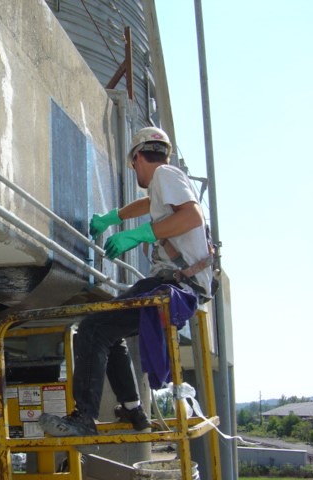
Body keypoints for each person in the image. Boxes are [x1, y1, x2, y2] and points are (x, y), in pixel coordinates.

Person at [39, 126, 213, 436]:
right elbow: (148, 206)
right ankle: (134, 412)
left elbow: (192, 217)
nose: (133, 169)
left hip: (172, 288)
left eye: (133, 163)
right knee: (107, 330)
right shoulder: (165, 185)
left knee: (92, 329)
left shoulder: (164, 175)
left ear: (137, 157)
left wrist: (139, 234)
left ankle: (84, 418)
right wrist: (111, 218)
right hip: (173, 286)